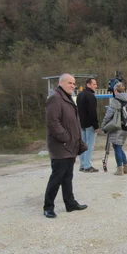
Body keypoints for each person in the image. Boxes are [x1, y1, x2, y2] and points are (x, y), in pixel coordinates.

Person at [43, 73, 88, 218]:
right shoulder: (55, 98)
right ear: (61, 83)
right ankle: (48, 207)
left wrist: (75, 140)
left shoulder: (67, 98)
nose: (73, 86)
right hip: (60, 146)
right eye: (70, 83)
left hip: (70, 146)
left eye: (74, 83)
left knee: (68, 176)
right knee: (57, 177)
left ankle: (70, 203)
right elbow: (52, 122)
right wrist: (66, 138)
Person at [102, 82, 127, 175]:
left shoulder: (115, 100)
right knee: (119, 147)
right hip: (126, 126)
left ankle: (120, 169)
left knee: (116, 147)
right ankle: (126, 167)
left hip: (117, 127)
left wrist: (103, 125)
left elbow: (108, 115)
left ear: (115, 90)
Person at [77, 77, 100, 173]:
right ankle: (87, 165)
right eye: (94, 84)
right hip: (90, 124)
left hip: (82, 124)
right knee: (89, 146)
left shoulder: (80, 95)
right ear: (88, 84)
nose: (96, 86)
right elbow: (92, 112)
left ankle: (82, 165)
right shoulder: (91, 96)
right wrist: (96, 125)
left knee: (83, 145)